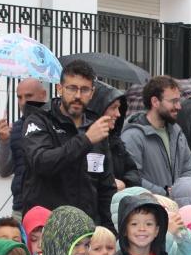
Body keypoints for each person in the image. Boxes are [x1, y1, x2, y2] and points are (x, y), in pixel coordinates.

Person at [18, 60, 117, 227]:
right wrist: (85, 140)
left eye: (84, 89)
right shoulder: (39, 120)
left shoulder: (96, 127)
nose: (78, 96)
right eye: (72, 88)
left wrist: (108, 231)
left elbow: (106, 187)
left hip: (87, 229)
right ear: (60, 89)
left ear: (92, 93)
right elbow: (41, 162)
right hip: (48, 228)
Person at [121, 75, 191, 196]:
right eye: (173, 101)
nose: (179, 106)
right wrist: (164, 193)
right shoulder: (133, 136)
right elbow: (132, 177)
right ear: (155, 102)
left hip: (177, 209)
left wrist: (180, 191)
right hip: (149, 209)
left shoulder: (177, 133)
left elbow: (188, 169)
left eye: (179, 100)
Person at [0, 78, 47, 211]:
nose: (23, 102)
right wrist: (4, 140)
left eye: (29, 96)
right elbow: (4, 170)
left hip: (50, 205)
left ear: (43, 95)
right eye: (19, 97)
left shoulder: (56, 124)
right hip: (21, 205)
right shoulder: (16, 128)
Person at [87, 81, 141, 191]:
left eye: (119, 108)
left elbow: (133, 172)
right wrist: (109, 184)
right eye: (113, 107)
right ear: (99, 108)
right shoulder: (85, 141)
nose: (118, 114)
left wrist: (125, 182)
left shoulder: (115, 141)